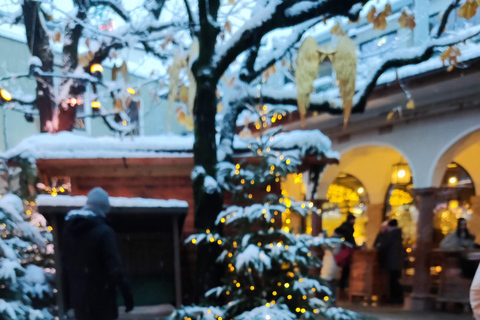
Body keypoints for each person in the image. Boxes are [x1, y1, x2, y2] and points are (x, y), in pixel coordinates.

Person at [62, 187, 134, 320]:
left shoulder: (69, 231)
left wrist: (66, 300)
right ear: (104, 209)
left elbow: (65, 267)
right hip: (102, 301)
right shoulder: (104, 232)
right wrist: (127, 296)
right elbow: (115, 268)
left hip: (80, 303)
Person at [376, 219, 404, 304]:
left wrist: (382, 233)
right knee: (395, 279)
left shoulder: (391, 234)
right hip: (397, 261)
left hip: (392, 261)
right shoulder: (398, 233)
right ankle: (397, 298)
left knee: (393, 280)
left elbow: (383, 245)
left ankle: (395, 298)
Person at [320, 230, 343, 306]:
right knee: (332, 285)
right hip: (333, 266)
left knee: (329, 285)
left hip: (331, 266)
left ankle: (330, 301)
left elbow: (334, 252)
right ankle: (331, 301)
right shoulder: (338, 243)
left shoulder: (335, 243)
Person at [335, 214, 357, 291]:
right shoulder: (346, 227)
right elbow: (338, 231)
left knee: (346, 269)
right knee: (345, 269)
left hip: (348, 249)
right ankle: (342, 286)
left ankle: (343, 285)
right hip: (347, 249)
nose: (354, 221)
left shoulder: (349, 227)